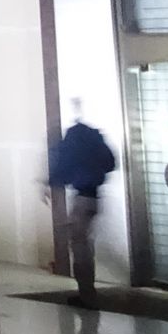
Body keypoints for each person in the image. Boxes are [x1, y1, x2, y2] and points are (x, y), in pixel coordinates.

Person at [47, 100, 118, 307]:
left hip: (82, 198)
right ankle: (88, 292)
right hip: (95, 196)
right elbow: (110, 163)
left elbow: (63, 167)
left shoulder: (73, 138)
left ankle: (86, 294)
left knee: (79, 246)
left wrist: (50, 182)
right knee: (84, 243)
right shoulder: (94, 137)